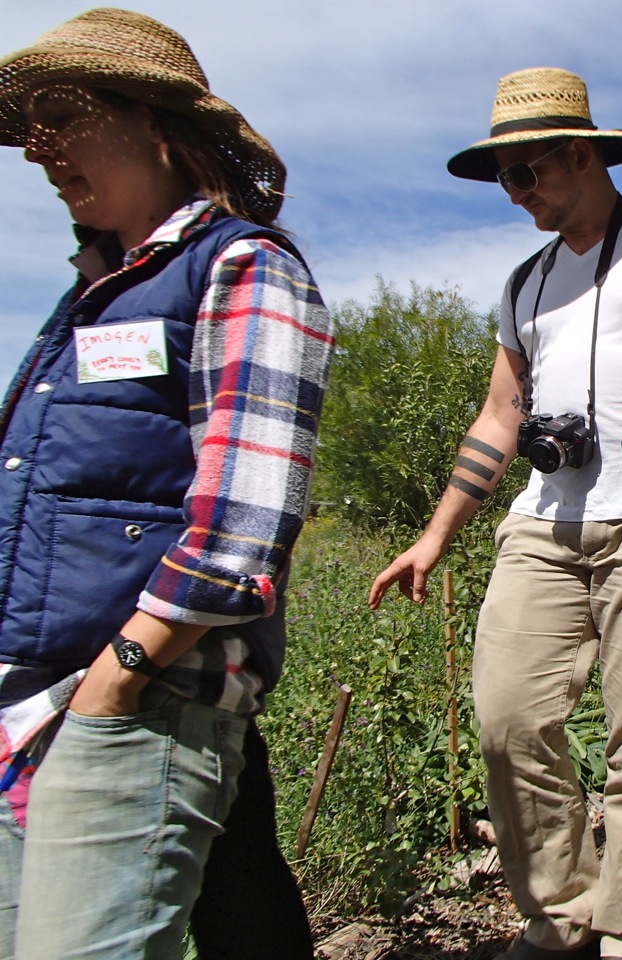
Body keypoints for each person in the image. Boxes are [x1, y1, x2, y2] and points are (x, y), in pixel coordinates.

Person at [369, 68, 622, 960]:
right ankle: (559, 910)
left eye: (525, 175)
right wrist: (436, 534)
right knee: (508, 721)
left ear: (580, 154)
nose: (516, 197)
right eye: (505, 180)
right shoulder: (524, 282)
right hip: (543, 525)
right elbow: (499, 415)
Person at [0, 9, 333, 960]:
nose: (37, 149)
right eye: (27, 130)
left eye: (59, 117)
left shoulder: (242, 267)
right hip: (29, 712)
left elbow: (244, 526)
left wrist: (119, 679)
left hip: (129, 707)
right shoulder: (90, 298)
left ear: (152, 121)